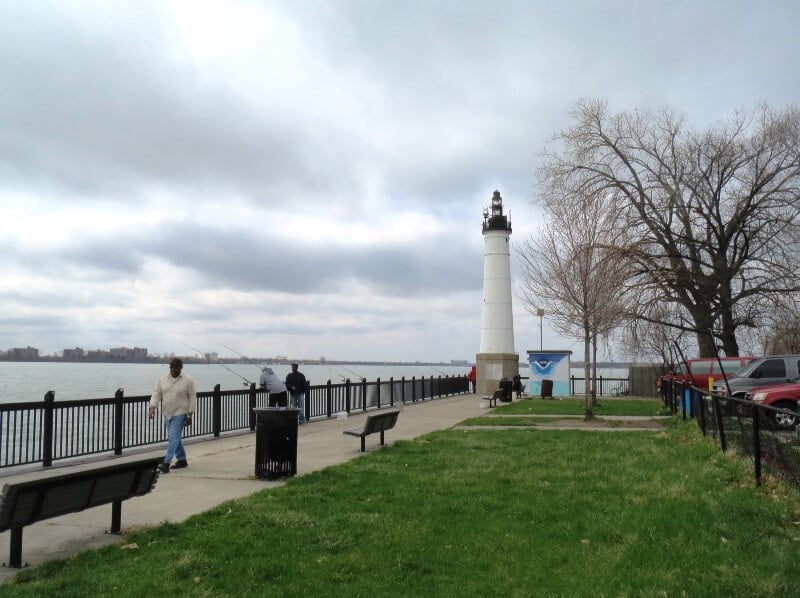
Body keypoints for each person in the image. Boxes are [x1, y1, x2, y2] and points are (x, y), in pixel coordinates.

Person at [148, 357, 196, 473]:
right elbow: (157, 394)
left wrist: (190, 415)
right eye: (172, 366)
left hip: (181, 411)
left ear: (181, 367)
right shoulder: (163, 379)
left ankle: (166, 463)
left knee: (173, 437)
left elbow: (193, 398)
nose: (174, 369)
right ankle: (182, 459)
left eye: (176, 367)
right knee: (175, 438)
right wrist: (152, 407)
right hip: (167, 412)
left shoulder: (188, 380)